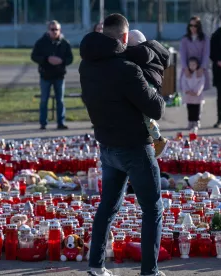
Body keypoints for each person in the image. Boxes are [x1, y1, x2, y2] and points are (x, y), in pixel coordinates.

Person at [79, 13, 166, 276]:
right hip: (135, 147)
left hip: (107, 146)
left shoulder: (87, 65)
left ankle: (96, 265)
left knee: (108, 206)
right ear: (125, 38)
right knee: (153, 208)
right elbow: (156, 108)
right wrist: (153, 81)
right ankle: (149, 271)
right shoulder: (127, 69)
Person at [124, 29, 170, 157]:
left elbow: (141, 55)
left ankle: (158, 139)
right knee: (143, 113)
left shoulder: (144, 51)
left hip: (148, 83)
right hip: (151, 83)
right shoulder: (155, 48)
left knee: (146, 114)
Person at [31, 20, 74, 130]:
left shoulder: (65, 43)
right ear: (48, 30)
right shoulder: (41, 42)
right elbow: (34, 56)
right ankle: (43, 123)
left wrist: (61, 61)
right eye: (52, 29)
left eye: (57, 29)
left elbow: (70, 58)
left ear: (60, 30)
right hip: (45, 76)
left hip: (59, 76)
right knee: (44, 100)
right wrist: (46, 59)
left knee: (60, 100)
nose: (54, 31)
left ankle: (61, 122)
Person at [179, 16, 210, 94]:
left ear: (199, 27)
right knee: (188, 93)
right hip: (188, 69)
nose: (192, 28)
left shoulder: (205, 39)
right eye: (191, 25)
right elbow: (182, 55)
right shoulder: (184, 39)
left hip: (200, 70)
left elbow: (206, 54)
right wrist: (185, 68)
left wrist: (202, 68)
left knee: (199, 93)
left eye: (195, 26)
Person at [181, 57, 205, 131]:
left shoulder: (200, 74)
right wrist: (187, 90)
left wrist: (197, 91)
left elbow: (201, 83)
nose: (192, 66)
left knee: (197, 109)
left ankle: (196, 122)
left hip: (197, 95)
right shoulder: (186, 73)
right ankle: (190, 122)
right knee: (190, 109)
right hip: (189, 95)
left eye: (194, 64)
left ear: (197, 65)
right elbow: (183, 82)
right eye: (190, 64)